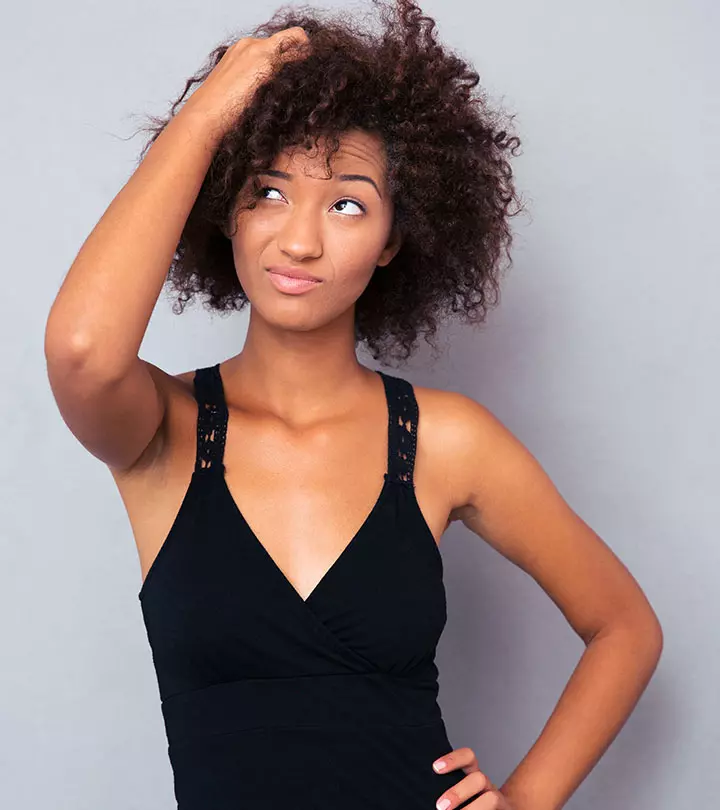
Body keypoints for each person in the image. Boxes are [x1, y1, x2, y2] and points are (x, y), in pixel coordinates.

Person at [44, 2, 663, 808]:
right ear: (225, 208)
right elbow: (84, 351)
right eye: (267, 192)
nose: (300, 241)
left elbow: (626, 628)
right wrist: (206, 119)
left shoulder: (447, 440)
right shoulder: (164, 432)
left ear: (393, 239)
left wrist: (528, 798)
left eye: (346, 204)